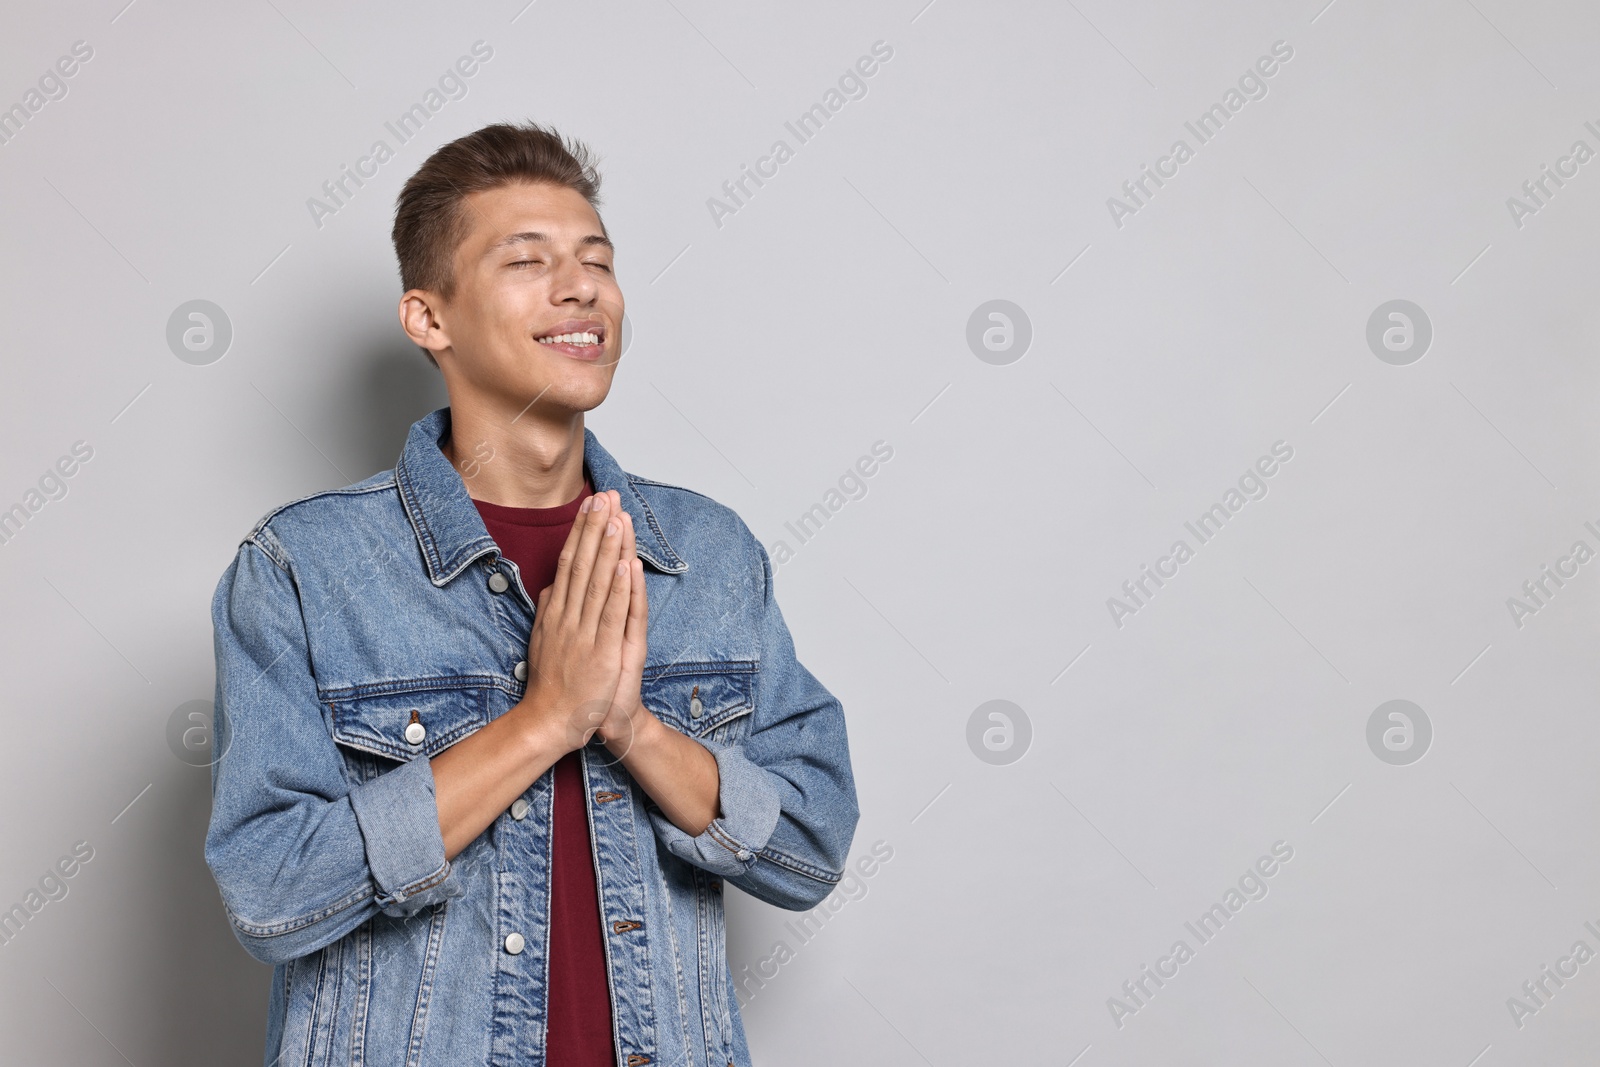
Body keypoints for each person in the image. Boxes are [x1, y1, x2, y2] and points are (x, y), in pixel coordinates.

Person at [203, 121, 859, 1067]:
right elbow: (270, 889)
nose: (581, 285)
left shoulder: (707, 554)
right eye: (528, 259)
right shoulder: (302, 568)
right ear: (430, 319)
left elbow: (811, 840)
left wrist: (632, 727)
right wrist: (544, 721)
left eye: (597, 259)